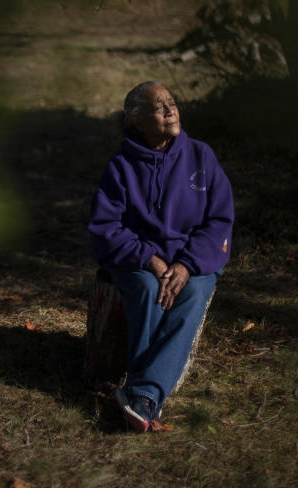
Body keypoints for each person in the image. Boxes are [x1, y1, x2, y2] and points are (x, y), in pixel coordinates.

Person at [87, 81, 234, 432]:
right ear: (137, 120)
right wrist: (151, 259)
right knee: (147, 289)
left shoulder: (201, 156)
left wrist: (185, 264)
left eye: (172, 103)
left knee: (195, 292)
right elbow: (106, 226)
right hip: (137, 260)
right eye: (158, 107)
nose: (170, 111)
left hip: (192, 260)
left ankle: (142, 394)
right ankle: (145, 396)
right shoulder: (121, 165)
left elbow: (219, 220)